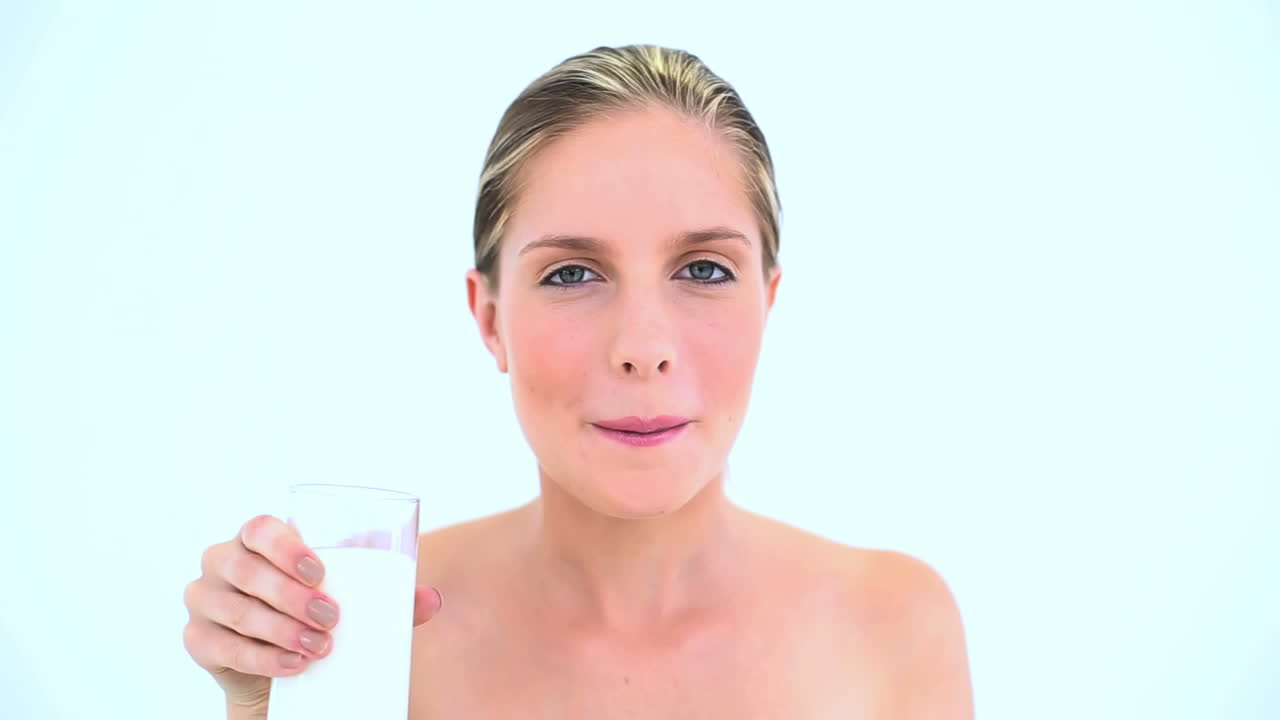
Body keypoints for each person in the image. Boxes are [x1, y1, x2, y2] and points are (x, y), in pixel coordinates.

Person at [182, 44, 974, 719]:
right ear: (489, 317)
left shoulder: (889, 628)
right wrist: (268, 706)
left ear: (767, 299)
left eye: (703, 269)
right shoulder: (373, 635)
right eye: (571, 274)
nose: (642, 348)